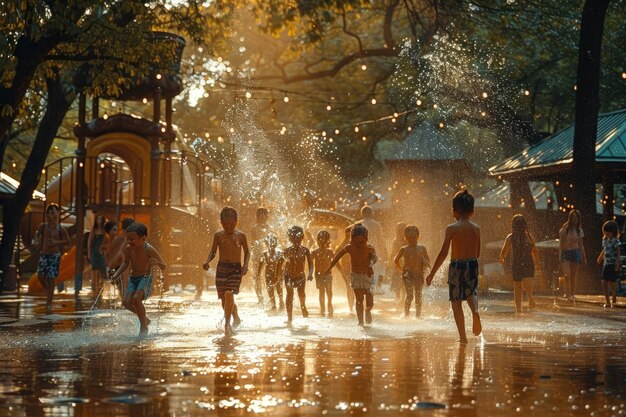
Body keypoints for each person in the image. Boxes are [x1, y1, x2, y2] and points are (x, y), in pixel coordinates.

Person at [426, 189, 482, 344]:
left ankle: (463, 337)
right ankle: (475, 311)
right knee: (471, 292)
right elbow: (477, 253)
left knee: (456, 302)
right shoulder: (476, 229)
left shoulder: (451, 228)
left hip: (456, 265)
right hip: (472, 264)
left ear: (454, 211)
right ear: (472, 211)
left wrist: (432, 274)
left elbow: (443, 253)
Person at [110, 222, 166, 336]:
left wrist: (157, 262)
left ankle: (144, 326)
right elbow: (125, 263)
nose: (130, 242)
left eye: (133, 239)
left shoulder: (149, 250)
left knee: (136, 299)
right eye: (128, 239)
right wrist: (116, 274)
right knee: (126, 303)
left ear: (143, 238)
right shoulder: (128, 248)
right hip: (133, 278)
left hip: (146, 277)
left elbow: (164, 266)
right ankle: (145, 319)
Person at [203, 207, 249, 335]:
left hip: (235, 269)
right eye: (225, 223)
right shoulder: (218, 236)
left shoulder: (241, 236)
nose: (228, 226)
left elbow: (247, 252)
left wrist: (245, 266)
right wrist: (207, 261)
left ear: (236, 222)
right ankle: (236, 317)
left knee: (229, 294)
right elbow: (213, 252)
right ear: (221, 222)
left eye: (231, 223)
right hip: (222, 268)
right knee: (224, 299)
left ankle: (227, 324)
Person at [324, 224, 377, 326]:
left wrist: (371, 265)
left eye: (362, 242)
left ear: (366, 239)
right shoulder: (349, 248)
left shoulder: (370, 248)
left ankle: (368, 311)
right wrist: (329, 268)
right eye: (356, 241)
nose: (359, 244)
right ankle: (360, 322)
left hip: (367, 276)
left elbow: (375, 258)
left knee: (369, 299)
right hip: (355, 276)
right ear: (352, 239)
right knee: (359, 299)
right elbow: (336, 257)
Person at [499, 214, 540, 313]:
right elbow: (504, 250)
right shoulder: (510, 237)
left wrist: (537, 263)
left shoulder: (528, 237)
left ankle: (530, 298)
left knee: (526, 282)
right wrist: (502, 258)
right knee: (517, 286)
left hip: (527, 263)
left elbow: (535, 251)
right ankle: (518, 309)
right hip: (516, 263)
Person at [36, 203, 70, 313]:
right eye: (50, 213)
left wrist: (57, 242)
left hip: (55, 255)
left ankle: (49, 302)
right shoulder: (43, 226)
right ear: (47, 214)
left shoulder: (61, 229)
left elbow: (68, 242)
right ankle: (49, 292)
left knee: (51, 278)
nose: (53, 215)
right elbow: (37, 236)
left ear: (58, 214)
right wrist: (37, 242)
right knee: (41, 276)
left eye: (55, 213)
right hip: (44, 254)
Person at [277, 225, 313, 324]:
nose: (296, 239)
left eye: (298, 237)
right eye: (293, 237)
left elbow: (310, 263)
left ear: (302, 237)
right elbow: (280, 264)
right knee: (289, 295)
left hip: (301, 277)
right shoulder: (286, 251)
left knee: (301, 293)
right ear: (289, 238)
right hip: (288, 275)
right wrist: (278, 276)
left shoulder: (305, 250)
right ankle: (289, 317)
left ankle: (303, 306)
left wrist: (310, 274)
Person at [394, 225, 430, 317]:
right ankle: (406, 315)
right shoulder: (404, 249)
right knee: (410, 295)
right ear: (405, 238)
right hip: (407, 274)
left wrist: (424, 262)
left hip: (419, 274)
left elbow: (428, 262)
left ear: (418, 236)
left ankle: (418, 315)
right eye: (409, 238)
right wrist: (400, 268)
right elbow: (396, 260)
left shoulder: (422, 248)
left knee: (418, 295)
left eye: (414, 237)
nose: (412, 240)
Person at [559, 209, 587, 301]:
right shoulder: (564, 229)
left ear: (578, 219)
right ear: (570, 218)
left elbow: (581, 245)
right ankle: (567, 293)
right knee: (567, 274)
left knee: (574, 275)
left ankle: (572, 293)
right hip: (566, 252)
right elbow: (561, 244)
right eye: (573, 217)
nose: (575, 219)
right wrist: (560, 256)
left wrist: (584, 257)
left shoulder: (579, 230)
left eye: (576, 217)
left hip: (575, 252)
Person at [357, 206, 386, 293]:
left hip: (361, 250)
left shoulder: (358, 224)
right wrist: (384, 251)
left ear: (362, 214)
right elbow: (380, 239)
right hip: (375, 249)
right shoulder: (377, 225)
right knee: (378, 269)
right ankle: (377, 288)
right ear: (371, 213)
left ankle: (366, 287)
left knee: (364, 269)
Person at [106, 218, 135, 299]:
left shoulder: (120, 239)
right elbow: (118, 255)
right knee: (125, 289)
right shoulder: (123, 239)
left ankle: (125, 304)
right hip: (119, 268)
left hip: (116, 268)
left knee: (124, 291)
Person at [250, 207, 272, 305]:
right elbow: (252, 243)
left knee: (268, 275)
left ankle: (269, 297)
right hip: (256, 254)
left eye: (264, 215)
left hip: (267, 255)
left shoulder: (269, 228)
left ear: (267, 217)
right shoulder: (254, 228)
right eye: (260, 215)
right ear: (257, 217)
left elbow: (272, 243)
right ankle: (260, 298)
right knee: (257, 277)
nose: (262, 217)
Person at [257, 234, 284, 312]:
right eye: (269, 243)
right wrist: (258, 274)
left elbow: (282, 264)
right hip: (268, 273)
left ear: (276, 243)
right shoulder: (265, 253)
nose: (271, 244)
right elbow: (261, 264)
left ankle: (281, 302)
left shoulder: (279, 253)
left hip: (278, 272)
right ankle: (273, 304)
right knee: (270, 288)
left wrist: (278, 275)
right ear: (266, 244)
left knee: (279, 288)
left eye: (273, 242)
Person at [597, 220, 621, 308]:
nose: (607, 233)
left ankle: (614, 294)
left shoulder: (615, 241)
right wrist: (600, 257)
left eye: (609, 232)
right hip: (606, 263)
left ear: (613, 232)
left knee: (611, 281)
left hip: (613, 263)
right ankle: (607, 301)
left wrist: (618, 263)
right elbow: (604, 249)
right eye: (605, 231)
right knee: (603, 281)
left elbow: (618, 252)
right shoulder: (605, 240)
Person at [312, 230, 335, 317]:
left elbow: (336, 262)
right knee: (322, 292)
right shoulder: (314, 252)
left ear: (328, 241)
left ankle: (329, 304)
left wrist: (341, 271)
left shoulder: (330, 252)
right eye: (320, 240)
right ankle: (322, 308)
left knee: (329, 291)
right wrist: (309, 273)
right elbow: (310, 264)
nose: (322, 242)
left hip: (328, 274)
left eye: (324, 240)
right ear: (317, 241)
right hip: (318, 275)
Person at [88, 213, 107, 295]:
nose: (99, 220)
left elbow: (107, 240)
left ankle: (101, 289)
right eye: (98, 218)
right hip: (94, 252)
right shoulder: (94, 229)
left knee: (102, 270)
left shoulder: (104, 230)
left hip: (102, 252)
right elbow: (89, 241)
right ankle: (95, 289)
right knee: (95, 271)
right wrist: (89, 253)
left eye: (100, 218)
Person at [388, 222, 407, 302]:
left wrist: (390, 262)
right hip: (405, 263)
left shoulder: (396, 241)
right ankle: (403, 299)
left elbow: (393, 253)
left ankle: (399, 298)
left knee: (397, 282)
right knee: (404, 282)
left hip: (397, 263)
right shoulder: (407, 240)